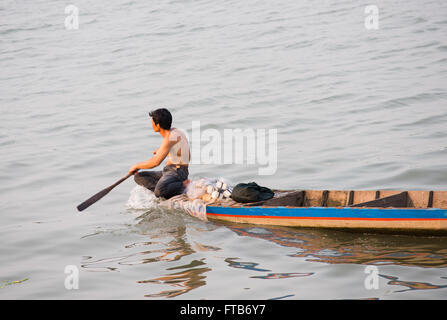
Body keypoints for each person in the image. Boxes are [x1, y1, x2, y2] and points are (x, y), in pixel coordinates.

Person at [128, 108, 190, 199]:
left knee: (159, 191)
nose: (152, 124)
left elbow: (155, 162)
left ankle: (182, 185)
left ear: (158, 125)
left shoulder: (169, 138)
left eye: (153, 122)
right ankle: (167, 189)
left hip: (178, 172)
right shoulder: (176, 131)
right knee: (138, 176)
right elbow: (182, 152)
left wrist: (136, 166)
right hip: (169, 170)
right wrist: (165, 152)